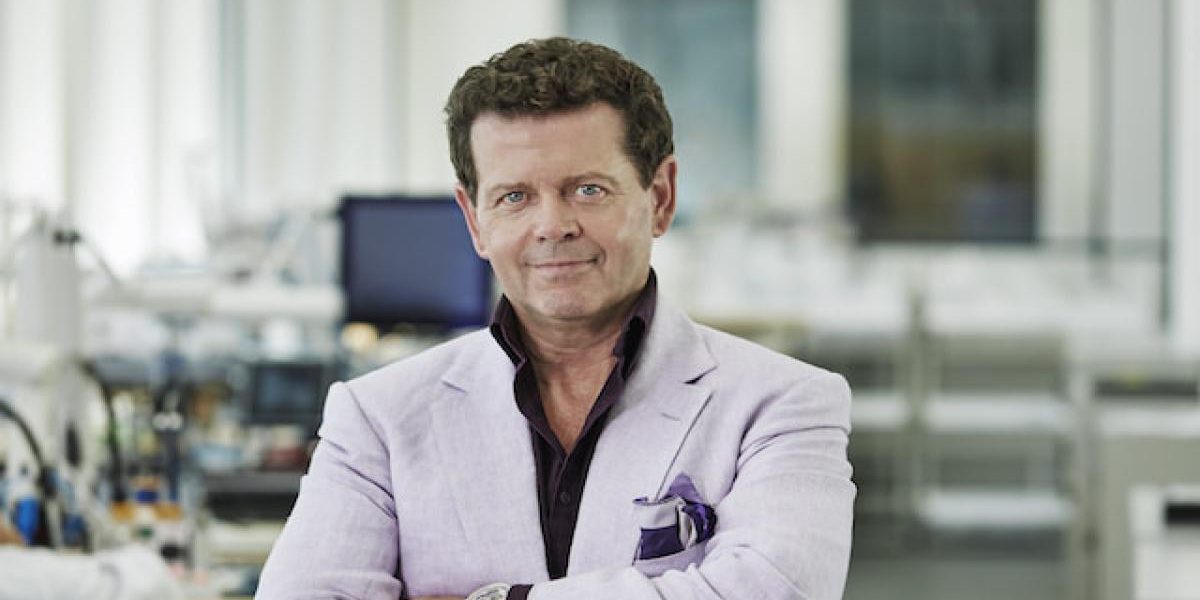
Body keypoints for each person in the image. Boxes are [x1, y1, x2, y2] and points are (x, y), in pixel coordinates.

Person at [256, 37, 854, 600]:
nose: (552, 226)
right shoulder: (377, 417)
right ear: (475, 220)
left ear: (661, 197)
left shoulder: (784, 402)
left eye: (588, 190)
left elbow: (775, 589)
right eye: (514, 197)